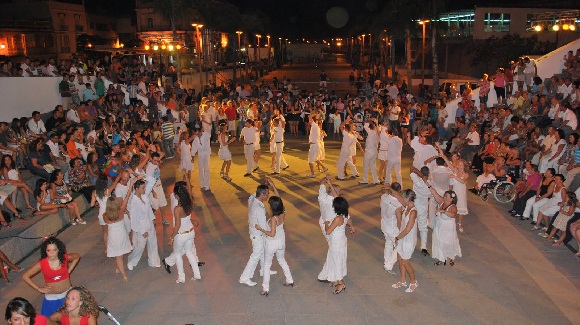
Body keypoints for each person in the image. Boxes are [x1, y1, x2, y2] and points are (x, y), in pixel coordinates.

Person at [21, 237, 81, 317]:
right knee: (50, 320)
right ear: (45, 251)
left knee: (71, 318)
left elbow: (77, 256)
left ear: (58, 250)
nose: (51, 253)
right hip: (52, 298)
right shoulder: (42, 264)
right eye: (49, 250)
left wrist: (69, 270)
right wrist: (38, 289)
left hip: (67, 294)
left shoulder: (64, 258)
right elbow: (25, 276)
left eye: (54, 250)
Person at [255, 179, 294, 296]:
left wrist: (260, 228)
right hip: (282, 241)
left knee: (267, 265)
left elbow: (271, 233)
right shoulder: (283, 213)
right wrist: (272, 185)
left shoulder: (273, 219)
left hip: (272, 243)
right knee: (282, 260)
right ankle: (290, 279)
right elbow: (279, 199)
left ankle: (265, 288)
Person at [162, 173, 205, 276]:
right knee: (183, 250)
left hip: (185, 225)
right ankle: (168, 261)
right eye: (184, 189)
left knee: (189, 248)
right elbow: (180, 221)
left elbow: (189, 193)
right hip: (180, 227)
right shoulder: (176, 202)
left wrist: (186, 178)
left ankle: (194, 262)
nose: (187, 191)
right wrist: (172, 237)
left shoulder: (181, 197)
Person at [239, 180, 274, 287]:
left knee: (262, 252)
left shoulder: (252, 200)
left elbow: (253, 194)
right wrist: (270, 232)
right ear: (262, 195)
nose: (268, 195)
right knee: (255, 256)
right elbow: (263, 226)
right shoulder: (258, 208)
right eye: (267, 193)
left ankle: (264, 270)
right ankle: (244, 277)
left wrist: (265, 185)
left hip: (254, 233)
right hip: (257, 235)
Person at [103, 176, 137, 282]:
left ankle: (118, 268)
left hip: (113, 236)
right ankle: (123, 275)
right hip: (121, 235)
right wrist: (131, 185)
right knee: (119, 255)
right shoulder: (121, 212)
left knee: (117, 254)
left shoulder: (105, 216)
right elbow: (126, 198)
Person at [321, 196, 354, 294]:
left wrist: (326, 222)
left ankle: (340, 283)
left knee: (337, 261)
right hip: (342, 240)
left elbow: (328, 232)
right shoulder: (345, 215)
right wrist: (352, 226)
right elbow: (349, 221)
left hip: (336, 243)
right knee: (337, 259)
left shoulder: (338, 218)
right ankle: (336, 279)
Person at [126, 179, 161, 270]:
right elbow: (134, 219)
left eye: (145, 187)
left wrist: (152, 218)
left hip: (149, 222)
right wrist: (142, 230)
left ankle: (154, 261)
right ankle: (131, 260)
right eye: (143, 187)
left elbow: (149, 209)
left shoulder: (144, 197)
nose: (145, 189)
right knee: (140, 246)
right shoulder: (134, 201)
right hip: (141, 226)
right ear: (137, 188)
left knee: (153, 242)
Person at [391, 189, 419, 293]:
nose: (402, 198)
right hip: (402, 237)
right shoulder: (407, 206)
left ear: (407, 198)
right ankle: (403, 281)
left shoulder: (413, 212)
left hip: (408, 240)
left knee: (405, 262)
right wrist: (390, 188)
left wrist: (397, 237)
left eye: (403, 197)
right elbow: (397, 195)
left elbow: (408, 229)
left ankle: (413, 281)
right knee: (399, 259)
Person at [429, 188, 462, 266]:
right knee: (439, 242)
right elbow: (435, 194)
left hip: (448, 230)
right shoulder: (442, 202)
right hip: (439, 228)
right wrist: (428, 185)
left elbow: (454, 214)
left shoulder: (453, 207)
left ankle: (452, 257)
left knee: (448, 243)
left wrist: (443, 211)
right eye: (444, 196)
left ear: (451, 199)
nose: (444, 197)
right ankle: (441, 258)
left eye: (446, 196)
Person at [89, 174, 120, 254]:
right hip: (109, 212)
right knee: (113, 230)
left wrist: (97, 202)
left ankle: (106, 248)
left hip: (101, 214)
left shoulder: (94, 192)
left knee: (105, 232)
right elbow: (115, 182)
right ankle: (115, 246)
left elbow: (91, 205)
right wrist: (119, 175)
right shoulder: (108, 190)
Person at [380, 182, 402, 274]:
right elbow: (399, 219)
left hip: (384, 224)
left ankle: (386, 261)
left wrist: (386, 188)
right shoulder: (398, 204)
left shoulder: (383, 197)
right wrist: (401, 232)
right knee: (400, 247)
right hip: (393, 228)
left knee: (388, 243)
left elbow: (384, 192)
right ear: (399, 191)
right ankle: (388, 264)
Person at [145, 150, 170, 225]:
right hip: (153, 188)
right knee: (155, 206)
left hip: (159, 186)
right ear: (151, 159)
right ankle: (149, 217)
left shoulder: (156, 162)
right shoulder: (149, 167)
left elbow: (163, 153)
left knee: (162, 203)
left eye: (157, 160)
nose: (156, 162)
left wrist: (154, 151)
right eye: (154, 160)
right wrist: (153, 192)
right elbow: (148, 182)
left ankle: (163, 219)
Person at [360, 119, 379, 185]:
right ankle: (375, 179)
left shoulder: (371, 132)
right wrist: (376, 122)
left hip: (369, 152)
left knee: (365, 166)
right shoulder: (377, 133)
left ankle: (365, 180)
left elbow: (365, 125)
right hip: (374, 151)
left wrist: (370, 120)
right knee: (373, 166)